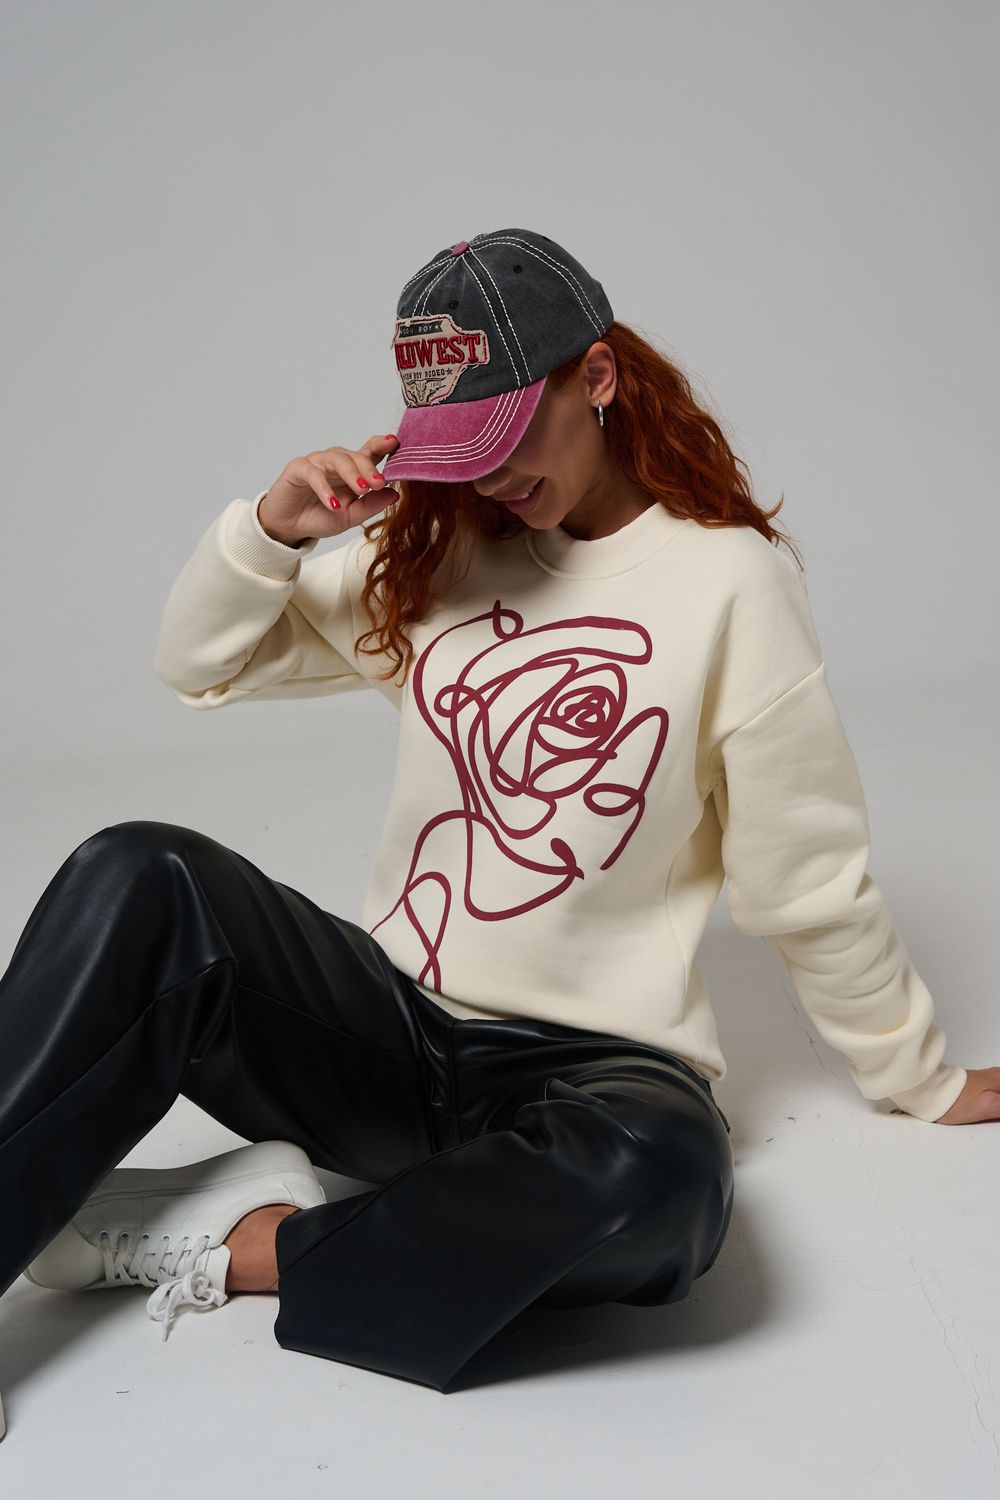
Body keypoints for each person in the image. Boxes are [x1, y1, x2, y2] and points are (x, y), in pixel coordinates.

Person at [0, 226, 993, 1437]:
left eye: (510, 435)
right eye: (460, 449)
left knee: (667, 1185)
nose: (490, 478)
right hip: (386, 1030)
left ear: (597, 377)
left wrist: (919, 1077)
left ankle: (241, 1240)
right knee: (139, 871)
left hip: (591, 1068)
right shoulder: (440, 552)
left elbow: (804, 876)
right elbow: (199, 665)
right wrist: (273, 528)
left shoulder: (729, 584)